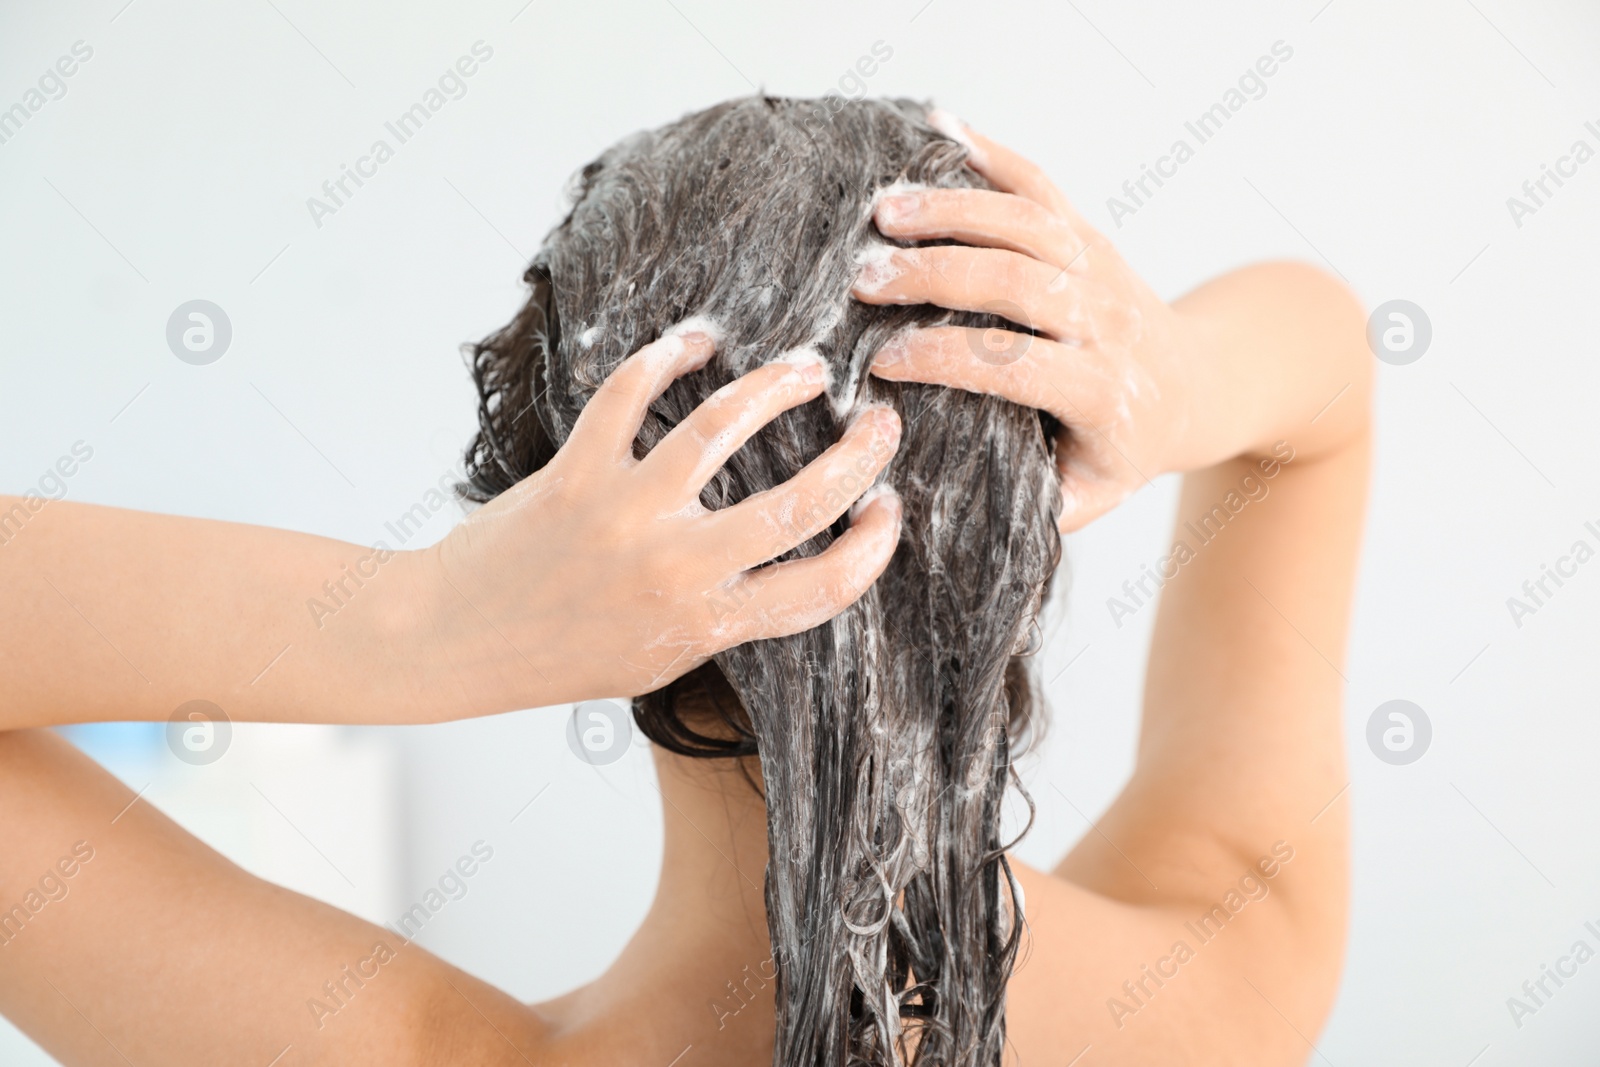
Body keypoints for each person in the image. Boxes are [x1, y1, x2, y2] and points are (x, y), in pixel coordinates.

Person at [0, 99, 1370, 1066]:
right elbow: (1326, 389)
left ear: (558, 556)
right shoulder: (1221, 980)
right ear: (1018, 534)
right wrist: (1174, 381)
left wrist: (411, 622)